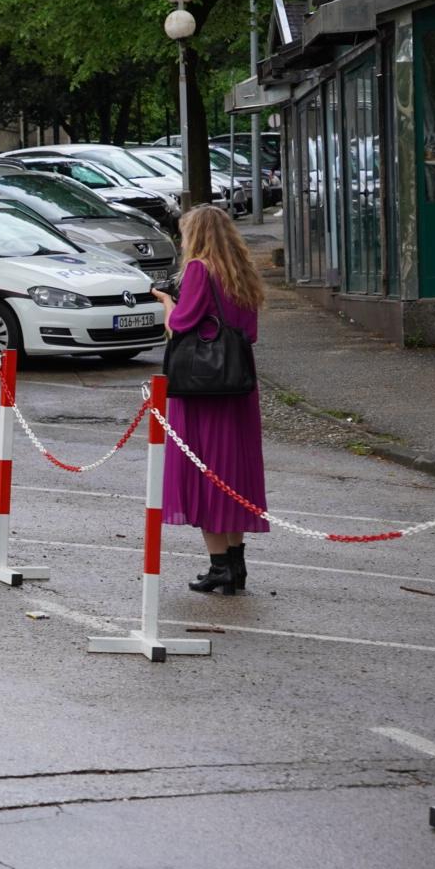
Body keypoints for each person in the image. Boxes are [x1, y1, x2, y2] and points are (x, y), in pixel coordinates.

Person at [150, 205, 268, 596]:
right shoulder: (242, 272)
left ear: (195, 235)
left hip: (203, 389)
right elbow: (249, 333)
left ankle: (219, 567)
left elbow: (179, 325)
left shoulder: (200, 270)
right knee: (231, 474)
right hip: (237, 386)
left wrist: (166, 302)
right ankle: (236, 566)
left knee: (205, 472)